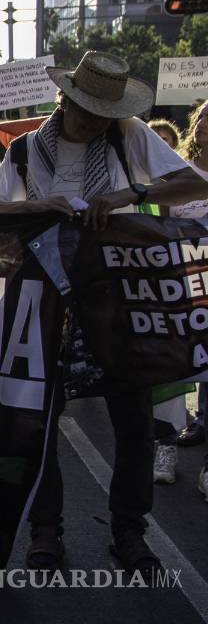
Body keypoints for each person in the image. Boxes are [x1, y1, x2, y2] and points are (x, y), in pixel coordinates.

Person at [0, 51, 208, 570]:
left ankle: (129, 532)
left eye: (104, 112)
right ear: (65, 99)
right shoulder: (28, 150)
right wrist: (39, 205)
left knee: (133, 420)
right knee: (41, 418)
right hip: (47, 295)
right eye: (85, 110)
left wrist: (133, 191)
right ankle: (45, 530)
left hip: (120, 297)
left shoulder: (129, 135)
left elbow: (196, 185)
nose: (93, 122)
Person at [175, 101, 208, 499]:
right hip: (179, 285)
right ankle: (168, 438)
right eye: (200, 117)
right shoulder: (177, 173)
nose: (203, 125)